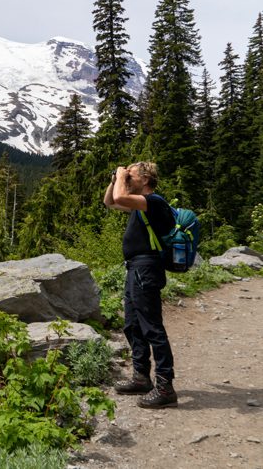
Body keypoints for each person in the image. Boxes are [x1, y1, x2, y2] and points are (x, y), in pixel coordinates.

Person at [103, 161, 178, 408]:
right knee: (132, 324)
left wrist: (121, 179)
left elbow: (120, 196)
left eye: (132, 175)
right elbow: (110, 202)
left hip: (146, 269)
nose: (127, 178)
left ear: (145, 180)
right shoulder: (138, 204)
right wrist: (116, 179)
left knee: (152, 327)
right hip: (135, 269)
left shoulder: (153, 202)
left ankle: (165, 387)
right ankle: (141, 376)